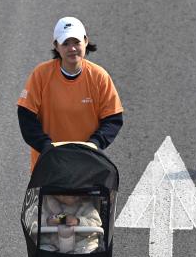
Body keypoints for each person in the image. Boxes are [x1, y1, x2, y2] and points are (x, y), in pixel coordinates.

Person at [17, 16, 124, 168]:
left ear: (86, 41)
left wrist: (94, 144)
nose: (72, 48)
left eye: (76, 42)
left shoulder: (100, 77)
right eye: (65, 43)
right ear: (56, 45)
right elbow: (26, 116)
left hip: (87, 164)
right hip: (48, 165)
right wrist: (46, 146)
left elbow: (113, 118)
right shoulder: (40, 75)